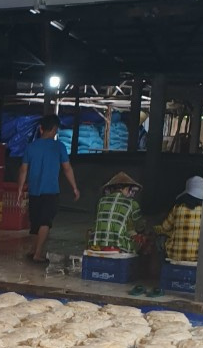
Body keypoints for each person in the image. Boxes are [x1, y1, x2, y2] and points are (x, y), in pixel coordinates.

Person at [16, 112, 79, 264]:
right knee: (45, 222)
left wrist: (19, 189)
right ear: (54, 129)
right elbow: (67, 169)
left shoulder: (31, 147)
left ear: (41, 128)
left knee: (35, 223)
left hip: (34, 191)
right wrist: (75, 188)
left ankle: (32, 250)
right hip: (50, 191)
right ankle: (37, 254)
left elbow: (23, 170)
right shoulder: (59, 147)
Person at [89, 172, 145, 253]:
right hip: (119, 246)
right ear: (125, 189)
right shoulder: (132, 203)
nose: (131, 193)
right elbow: (140, 227)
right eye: (130, 190)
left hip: (96, 245)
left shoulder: (101, 201)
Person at [155, 175, 203, 263]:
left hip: (176, 255)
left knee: (161, 238)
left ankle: (163, 267)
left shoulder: (177, 208)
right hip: (199, 257)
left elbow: (164, 227)